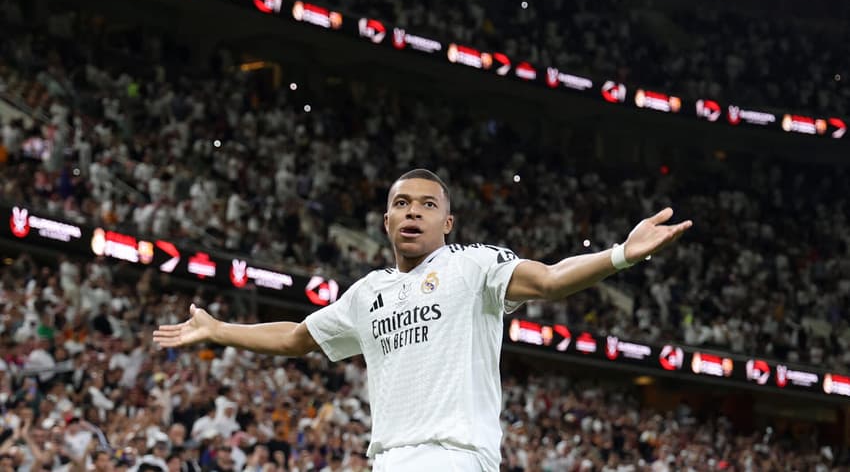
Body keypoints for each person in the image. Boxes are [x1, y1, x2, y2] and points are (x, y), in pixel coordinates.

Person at [154, 169, 692, 471]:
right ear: (386, 219)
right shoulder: (368, 294)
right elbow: (298, 337)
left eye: (427, 205)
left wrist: (622, 254)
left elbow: (551, 278)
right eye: (403, 203)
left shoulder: (472, 265)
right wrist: (219, 330)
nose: (414, 212)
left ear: (447, 221)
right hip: (389, 459)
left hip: (452, 458)